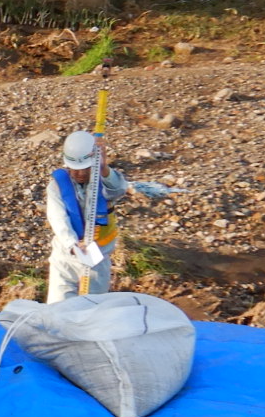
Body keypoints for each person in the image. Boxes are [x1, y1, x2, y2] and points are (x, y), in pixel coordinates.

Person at [42, 129, 172, 302]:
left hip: (97, 257)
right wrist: (72, 243)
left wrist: (103, 169)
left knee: (93, 309)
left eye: (85, 169)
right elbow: (58, 218)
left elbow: (118, 190)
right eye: (75, 170)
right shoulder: (56, 186)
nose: (80, 174)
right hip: (66, 258)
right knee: (57, 309)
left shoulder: (103, 181)